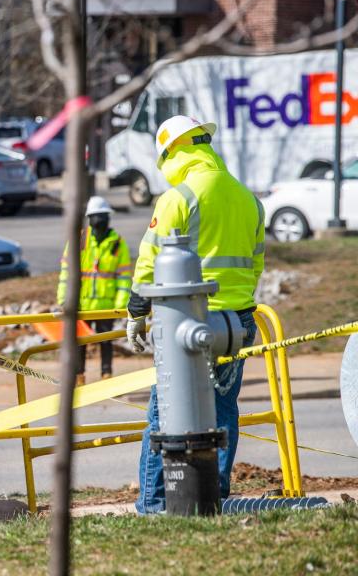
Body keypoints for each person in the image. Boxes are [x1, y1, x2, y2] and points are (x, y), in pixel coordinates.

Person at [126, 115, 265, 514]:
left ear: (173, 152)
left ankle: (154, 506)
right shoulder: (247, 198)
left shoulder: (179, 198)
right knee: (223, 412)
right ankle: (212, 500)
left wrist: (137, 312)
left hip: (187, 324)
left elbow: (150, 260)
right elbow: (255, 265)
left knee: (164, 415)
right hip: (237, 322)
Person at [56, 195, 132, 386]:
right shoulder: (79, 240)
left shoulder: (117, 244)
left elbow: (123, 277)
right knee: (80, 342)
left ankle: (106, 375)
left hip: (106, 305)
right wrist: (65, 299)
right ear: (89, 218)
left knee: (106, 341)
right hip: (82, 303)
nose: (99, 220)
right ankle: (79, 376)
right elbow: (66, 272)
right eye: (96, 216)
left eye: (102, 216)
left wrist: (120, 305)